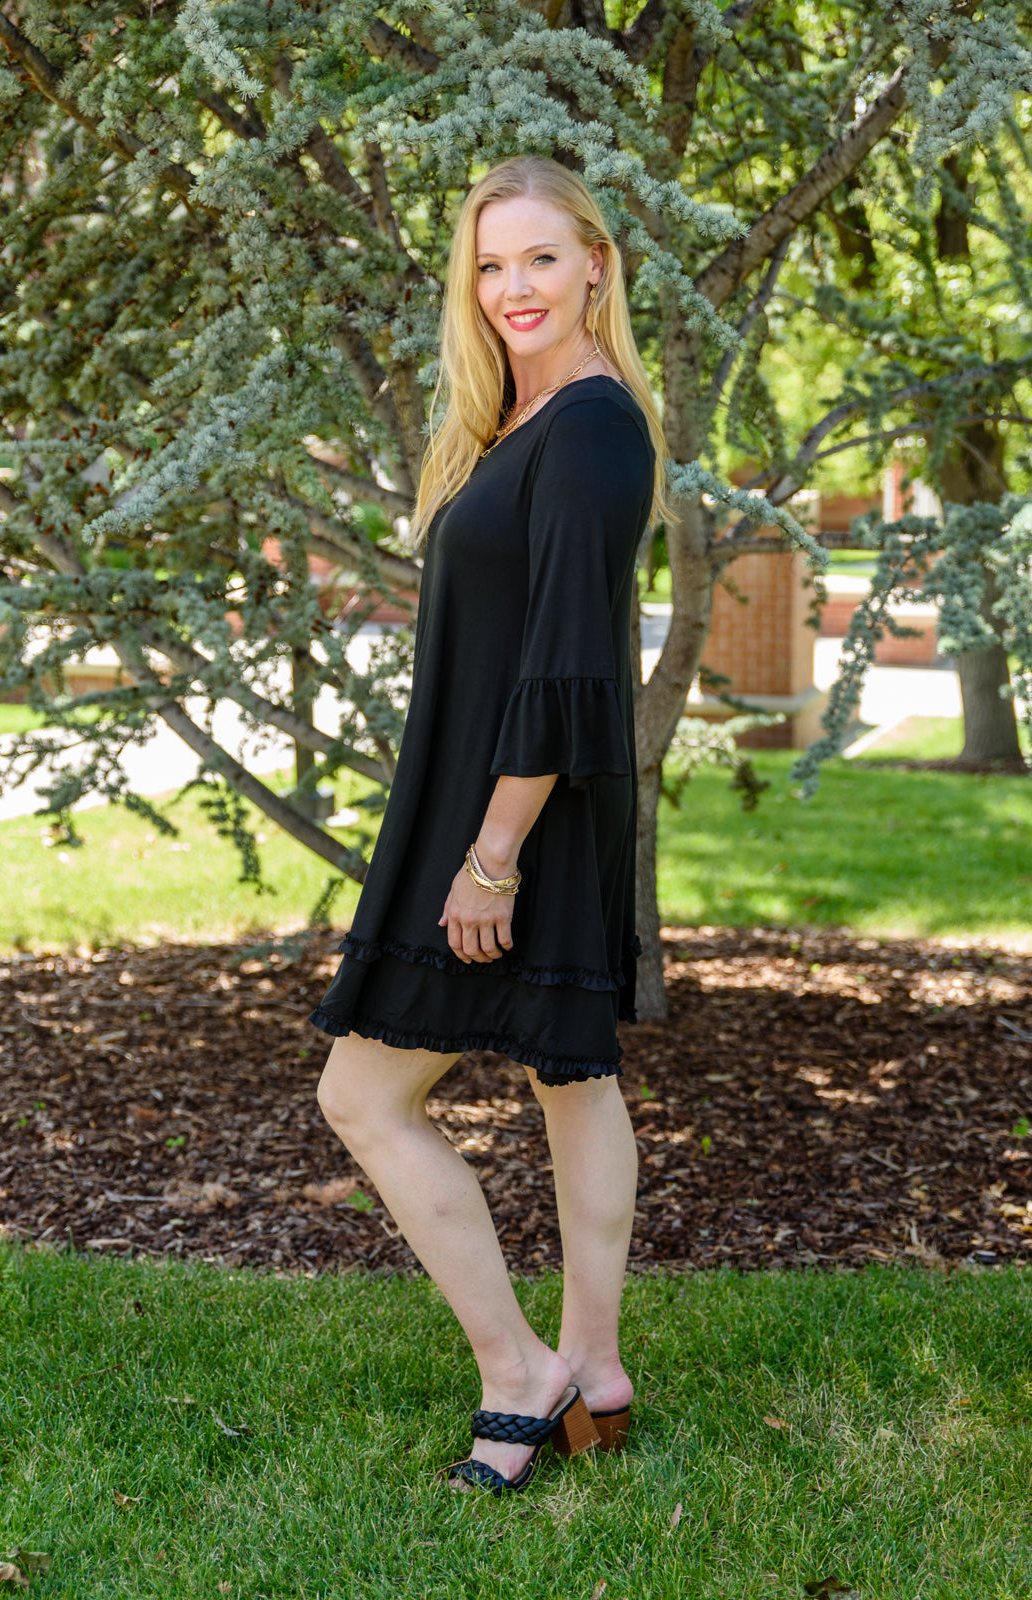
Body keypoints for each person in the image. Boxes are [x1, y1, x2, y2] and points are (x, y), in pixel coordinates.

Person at [309, 154, 669, 1495]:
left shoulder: (589, 425)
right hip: (513, 798)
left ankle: (521, 1373)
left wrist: (492, 856)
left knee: (362, 1094)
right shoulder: (525, 418)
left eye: (540, 258)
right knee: (571, 1076)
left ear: (596, 267)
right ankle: (594, 1369)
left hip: (517, 812)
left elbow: (570, 662)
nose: (514, 287)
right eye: (490, 264)